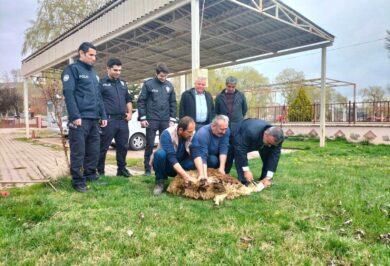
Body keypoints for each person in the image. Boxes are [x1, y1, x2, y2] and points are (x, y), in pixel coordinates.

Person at [62, 42, 107, 192]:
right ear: (81, 53)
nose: (94, 58)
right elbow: (69, 94)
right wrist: (75, 115)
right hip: (80, 118)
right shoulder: (72, 70)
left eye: (95, 55)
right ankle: (78, 181)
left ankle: (91, 175)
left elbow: (99, 97)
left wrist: (103, 115)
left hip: (94, 119)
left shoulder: (94, 74)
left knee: (94, 150)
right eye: (91, 55)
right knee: (78, 151)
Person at [137, 62, 177, 176]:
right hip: (151, 119)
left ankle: (163, 167)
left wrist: (172, 119)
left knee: (166, 144)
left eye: (165, 76)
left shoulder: (169, 86)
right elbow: (141, 101)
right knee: (150, 144)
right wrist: (142, 118)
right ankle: (147, 169)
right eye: (161, 76)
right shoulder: (148, 84)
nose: (163, 78)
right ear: (156, 73)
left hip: (165, 120)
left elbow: (173, 103)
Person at [97, 58, 133, 177]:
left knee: (123, 146)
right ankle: (100, 171)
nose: (118, 72)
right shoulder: (101, 83)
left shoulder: (122, 83)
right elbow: (98, 101)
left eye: (120, 70)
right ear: (108, 69)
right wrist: (102, 117)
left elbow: (128, 99)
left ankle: (121, 170)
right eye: (115, 70)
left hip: (122, 120)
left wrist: (130, 113)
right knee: (103, 147)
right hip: (108, 120)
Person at [227, 119, 284, 188]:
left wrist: (268, 177)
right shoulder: (250, 131)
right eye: (269, 143)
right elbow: (241, 151)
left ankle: (264, 179)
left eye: (272, 144)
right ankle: (243, 180)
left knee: (269, 152)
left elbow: (274, 157)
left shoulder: (278, 138)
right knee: (234, 153)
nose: (269, 146)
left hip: (257, 138)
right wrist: (246, 170)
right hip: (239, 136)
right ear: (265, 133)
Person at [152, 116, 196, 196]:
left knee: (195, 159)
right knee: (160, 154)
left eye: (192, 131)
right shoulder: (167, 134)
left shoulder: (192, 134)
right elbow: (171, 158)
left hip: (181, 164)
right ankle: (160, 182)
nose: (191, 134)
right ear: (180, 130)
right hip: (167, 165)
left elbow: (196, 153)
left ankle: (185, 181)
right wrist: (185, 176)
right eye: (189, 132)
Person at [215, 76, 248, 173]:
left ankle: (242, 174)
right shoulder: (219, 97)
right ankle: (224, 171)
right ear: (226, 85)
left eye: (233, 87)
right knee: (225, 148)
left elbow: (244, 109)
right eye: (229, 86)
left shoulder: (241, 95)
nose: (231, 88)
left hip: (237, 126)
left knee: (238, 149)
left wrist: (237, 119)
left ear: (235, 86)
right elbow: (216, 111)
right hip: (224, 128)